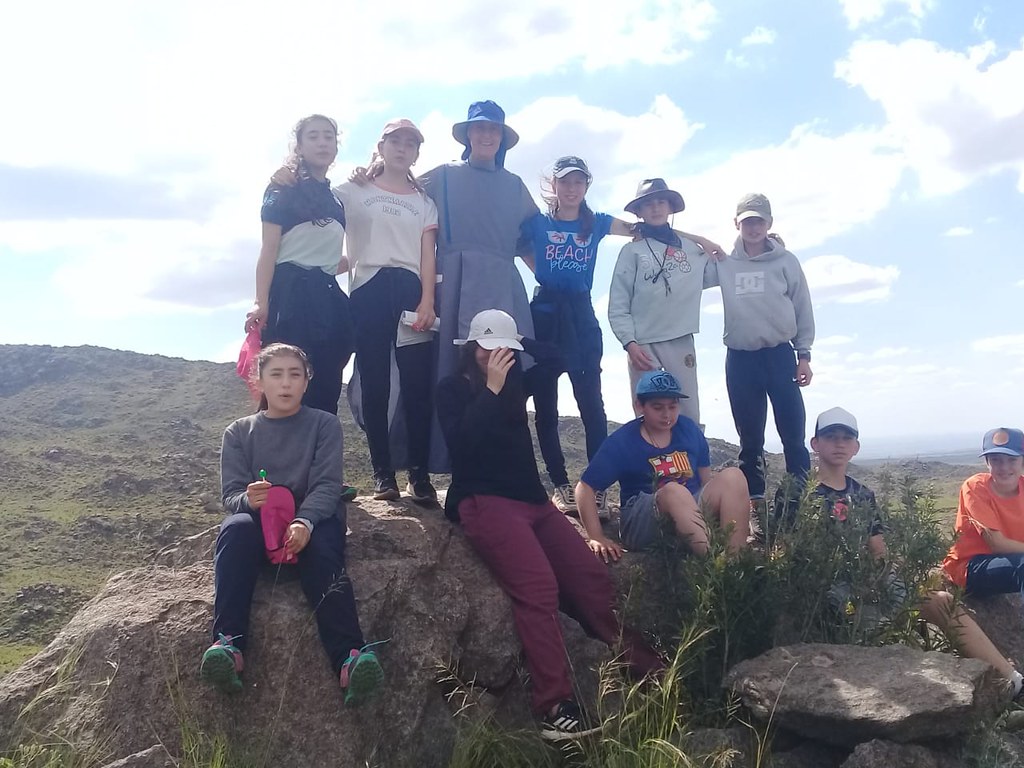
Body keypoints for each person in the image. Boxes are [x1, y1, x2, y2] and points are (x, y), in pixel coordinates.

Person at [435, 309, 663, 742]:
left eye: (505, 348)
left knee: (589, 577)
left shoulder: (518, 377)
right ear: (472, 348)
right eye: (489, 347)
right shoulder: (453, 389)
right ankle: (554, 706)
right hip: (485, 501)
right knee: (538, 587)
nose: (498, 355)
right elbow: (462, 446)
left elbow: (561, 360)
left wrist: (521, 339)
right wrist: (492, 389)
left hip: (534, 502)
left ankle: (648, 667)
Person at [521, 161, 723, 517]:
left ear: (586, 185)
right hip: (546, 313)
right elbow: (516, 246)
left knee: (591, 406)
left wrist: (698, 239)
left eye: (578, 182)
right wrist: (543, 272)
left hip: (581, 313)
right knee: (546, 404)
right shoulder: (538, 223)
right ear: (554, 184)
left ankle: (594, 490)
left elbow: (644, 229)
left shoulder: (595, 222)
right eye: (565, 182)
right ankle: (560, 486)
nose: (571, 188)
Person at [789, 410, 1024, 697]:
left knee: (942, 602)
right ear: (815, 444)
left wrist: (893, 574)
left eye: (846, 438)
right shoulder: (797, 490)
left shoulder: (863, 494)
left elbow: (877, 550)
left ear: (856, 447)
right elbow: (789, 547)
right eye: (831, 437)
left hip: (863, 581)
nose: (839, 444)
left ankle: (1011, 681)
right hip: (821, 586)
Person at [201, 343, 384, 706]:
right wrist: (248, 500)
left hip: (314, 518)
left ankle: (349, 659)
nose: (286, 383)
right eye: (276, 374)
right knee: (234, 529)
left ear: (306, 381)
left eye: (295, 374)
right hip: (260, 525)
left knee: (322, 549)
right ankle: (228, 646)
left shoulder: (324, 425)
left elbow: (327, 486)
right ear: (260, 381)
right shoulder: (238, 433)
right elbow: (231, 496)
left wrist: (304, 522)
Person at [334, 119, 439, 504]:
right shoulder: (352, 189)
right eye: (395, 140)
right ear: (380, 145)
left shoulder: (424, 202)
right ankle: (383, 475)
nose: (402, 148)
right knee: (375, 383)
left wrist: (427, 300)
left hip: (411, 291)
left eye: (410, 143)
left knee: (416, 387)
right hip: (369, 288)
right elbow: (327, 228)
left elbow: (428, 255)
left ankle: (419, 475)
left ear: (416, 153)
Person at [710, 193, 814, 531]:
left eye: (759, 221)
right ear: (736, 223)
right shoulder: (723, 262)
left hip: (780, 355)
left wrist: (804, 355)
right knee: (750, 439)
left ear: (769, 223)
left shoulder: (786, 262)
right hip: (740, 359)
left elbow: (803, 308)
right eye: (747, 221)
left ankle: (796, 507)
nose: (753, 227)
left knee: (792, 436)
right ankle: (755, 507)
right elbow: (686, 272)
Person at [576, 370, 750, 559]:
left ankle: (735, 559)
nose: (667, 414)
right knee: (673, 491)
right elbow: (585, 488)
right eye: (657, 407)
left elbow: (705, 481)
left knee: (734, 476)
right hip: (643, 520)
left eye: (673, 406)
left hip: (689, 510)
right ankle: (715, 565)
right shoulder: (623, 441)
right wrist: (596, 536)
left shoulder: (689, 429)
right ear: (639, 406)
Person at [245, 115, 353, 418]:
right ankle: (273, 461)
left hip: (329, 302)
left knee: (326, 386)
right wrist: (260, 303)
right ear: (300, 145)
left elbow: (330, 259)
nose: (322, 143)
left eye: (328, 137)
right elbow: (269, 250)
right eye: (314, 136)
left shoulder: (337, 200)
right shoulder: (282, 189)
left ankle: (320, 461)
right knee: (286, 383)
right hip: (290, 299)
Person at [608, 178, 719, 429]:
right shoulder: (631, 252)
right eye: (648, 204)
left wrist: (759, 248)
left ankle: (691, 467)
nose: (656, 208)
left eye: (661, 202)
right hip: (644, 345)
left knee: (688, 412)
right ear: (639, 211)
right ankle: (651, 469)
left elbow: (723, 270)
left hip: (681, 341)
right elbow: (618, 304)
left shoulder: (693, 250)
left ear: (670, 207)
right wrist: (630, 343)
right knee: (651, 413)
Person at [941, 427, 1024, 600]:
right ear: (987, 462)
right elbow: (996, 544)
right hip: (971, 566)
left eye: (1012, 459)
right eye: (996, 460)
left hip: (1014, 559)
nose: (1004, 467)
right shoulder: (976, 488)